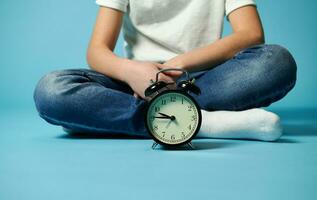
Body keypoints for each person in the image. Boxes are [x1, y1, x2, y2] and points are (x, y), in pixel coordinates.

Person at [33, 0, 297, 141]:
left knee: (276, 60)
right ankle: (203, 123)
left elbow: (251, 34)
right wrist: (131, 72)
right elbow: (97, 51)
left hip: (200, 81)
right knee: (51, 89)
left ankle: (117, 119)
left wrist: (176, 65)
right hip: (135, 84)